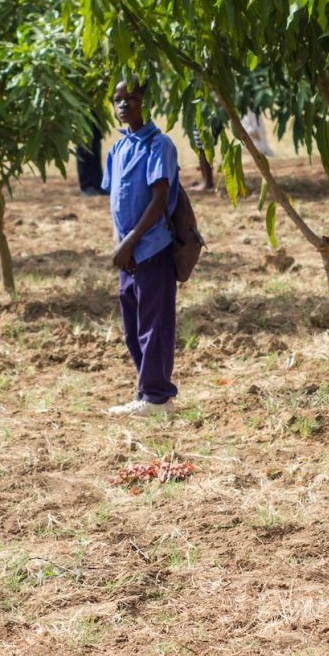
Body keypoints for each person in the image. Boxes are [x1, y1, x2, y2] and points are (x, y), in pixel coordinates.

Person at [101, 79, 180, 415]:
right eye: (117, 100)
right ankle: (146, 391)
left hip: (152, 248)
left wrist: (131, 243)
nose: (123, 106)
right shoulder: (117, 150)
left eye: (130, 99)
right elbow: (116, 200)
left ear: (144, 102)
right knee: (133, 327)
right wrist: (121, 245)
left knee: (154, 325)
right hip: (128, 254)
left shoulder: (157, 145)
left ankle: (158, 397)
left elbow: (159, 198)